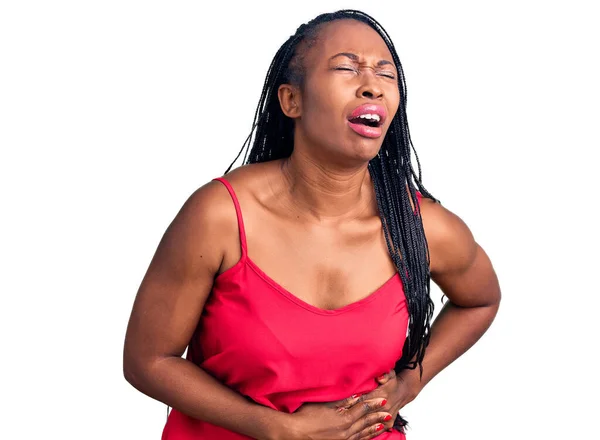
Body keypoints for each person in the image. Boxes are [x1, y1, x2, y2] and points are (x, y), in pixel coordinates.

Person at [123, 9, 501, 440]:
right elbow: (147, 360)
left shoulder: (422, 228)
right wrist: (275, 427)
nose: (371, 83)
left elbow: (480, 301)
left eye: (386, 73)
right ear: (291, 101)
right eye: (346, 67)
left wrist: (409, 383)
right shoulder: (220, 216)